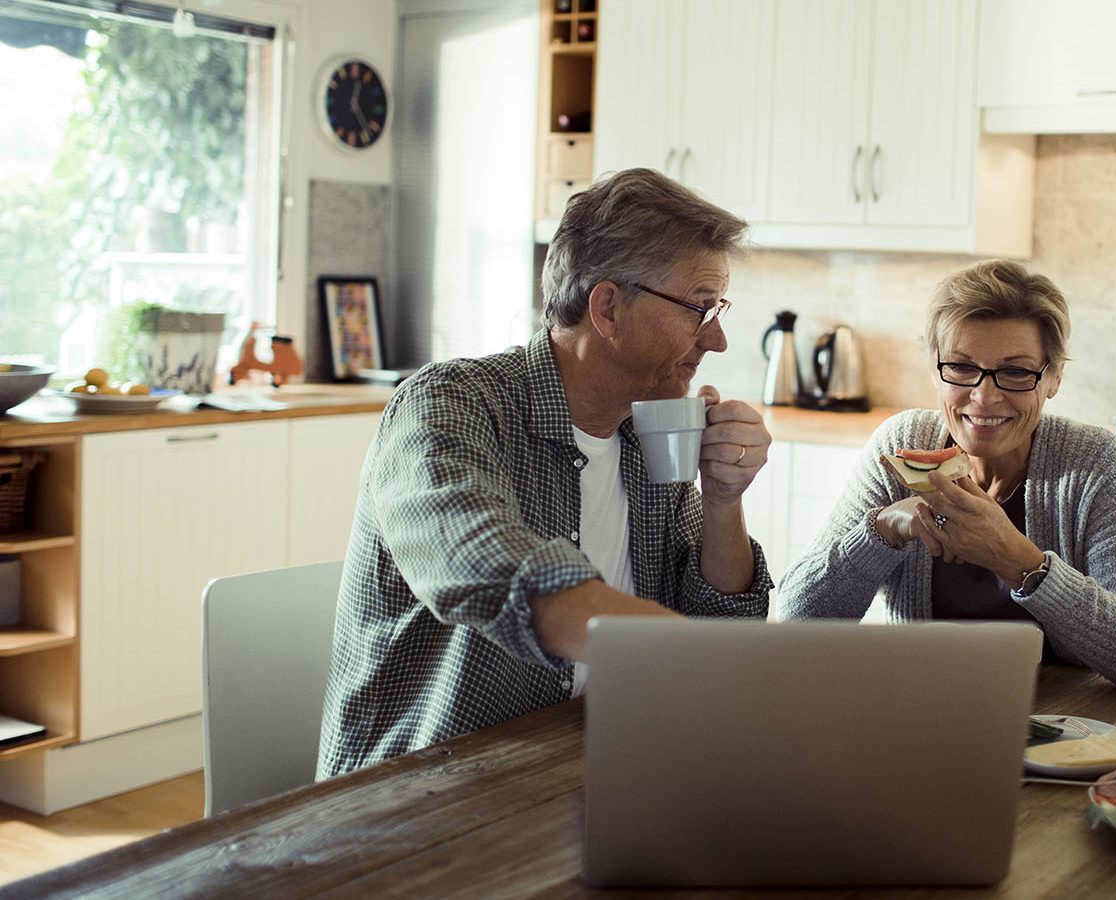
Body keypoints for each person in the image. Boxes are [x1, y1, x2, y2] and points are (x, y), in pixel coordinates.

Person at [318, 169, 774, 778]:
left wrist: (723, 501)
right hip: (418, 796)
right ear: (608, 308)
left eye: (717, 309)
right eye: (698, 308)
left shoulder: (650, 433)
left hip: (589, 769)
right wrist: (701, 663)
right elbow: (488, 567)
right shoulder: (449, 405)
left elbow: (723, 624)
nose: (716, 339)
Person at [775, 260, 1116, 693]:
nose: (984, 397)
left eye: (1016, 372)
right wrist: (883, 531)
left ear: (1054, 377)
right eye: (962, 367)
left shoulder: (1093, 463)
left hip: (1066, 734)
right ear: (934, 368)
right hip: (918, 717)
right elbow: (798, 620)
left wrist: (1017, 560)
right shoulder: (900, 444)